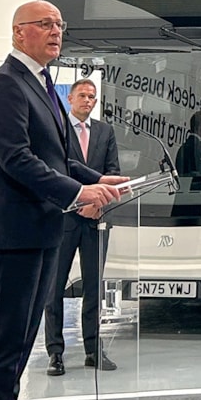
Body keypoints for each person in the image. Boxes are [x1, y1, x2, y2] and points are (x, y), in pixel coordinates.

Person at [0, 0, 123, 400]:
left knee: (22, 335)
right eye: (45, 24)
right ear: (19, 33)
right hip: (11, 233)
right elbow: (16, 159)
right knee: (6, 337)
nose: (56, 31)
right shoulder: (3, 86)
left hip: (39, 231)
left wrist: (100, 179)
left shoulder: (42, 86)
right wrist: (80, 192)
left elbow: (55, 158)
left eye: (60, 25)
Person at [44, 78, 121, 376]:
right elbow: (55, 170)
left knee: (93, 286)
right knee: (55, 287)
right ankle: (55, 352)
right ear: (70, 98)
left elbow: (112, 172)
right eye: (83, 96)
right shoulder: (57, 129)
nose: (88, 101)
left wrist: (98, 203)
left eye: (92, 96)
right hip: (63, 218)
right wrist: (80, 200)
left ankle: (93, 349)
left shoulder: (105, 131)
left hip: (96, 219)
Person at [173, 110, 201, 217]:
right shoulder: (199, 147)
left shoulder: (183, 147)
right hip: (193, 202)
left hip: (182, 201)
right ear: (200, 127)